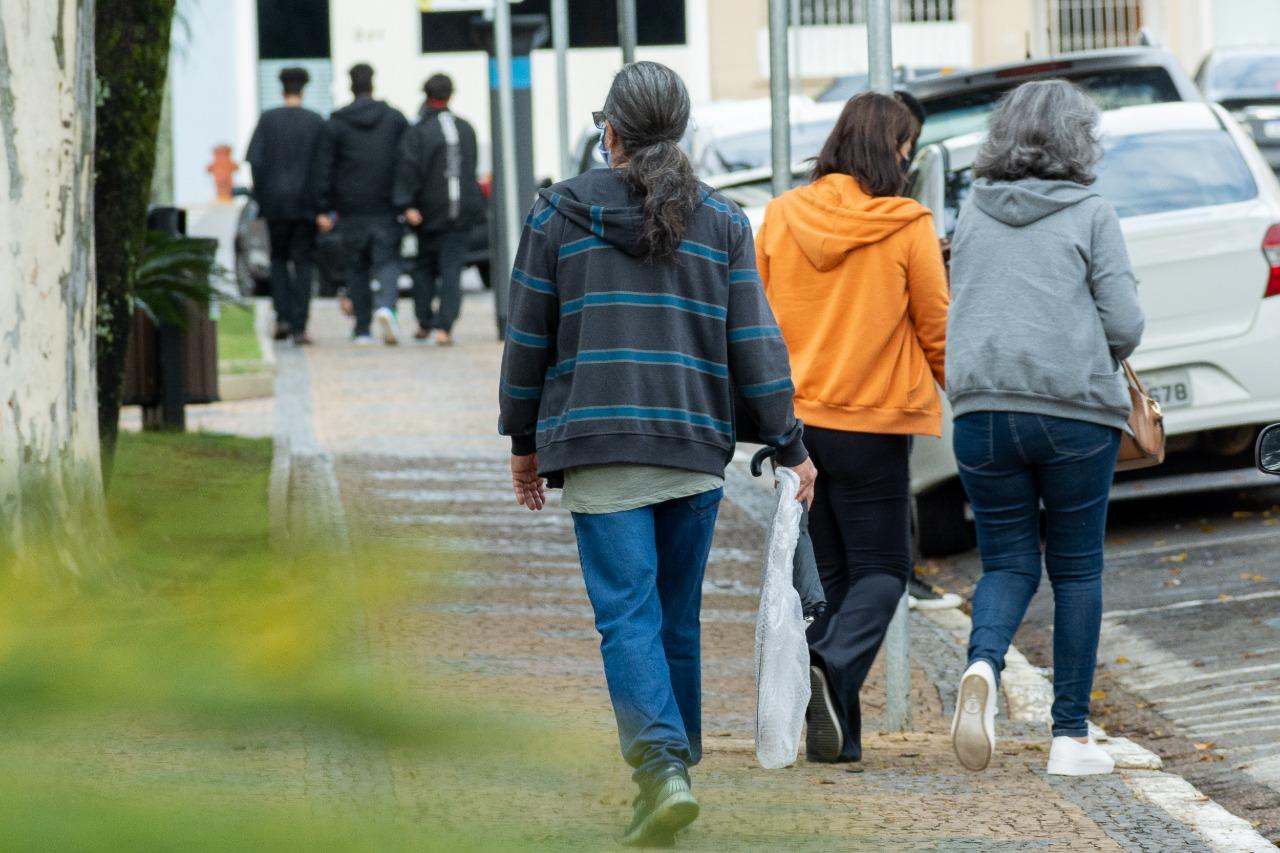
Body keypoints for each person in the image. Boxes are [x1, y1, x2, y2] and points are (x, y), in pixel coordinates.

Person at [498, 61, 816, 846]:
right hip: (693, 453)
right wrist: (790, 444)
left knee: (627, 616)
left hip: (603, 445)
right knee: (674, 612)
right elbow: (756, 345)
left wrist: (522, 440)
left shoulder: (556, 216)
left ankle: (663, 766)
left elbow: (526, 337)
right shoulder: (723, 222)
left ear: (609, 132)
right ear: (680, 132)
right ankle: (676, 762)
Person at [946, 80, 1143, 776]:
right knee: (1077, 567)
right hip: (1071, 413)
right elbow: (1125, 324)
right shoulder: (1091, 211)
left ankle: (981, 665)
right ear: (1076, 139)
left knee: (1006, 561)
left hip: (979, 413)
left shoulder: (972, 211)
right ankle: (1069, 737)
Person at [755, 92, 949, 764]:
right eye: (904, 151)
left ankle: (841, 737)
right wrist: (971, 401)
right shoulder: (906, 224)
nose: (907, 162)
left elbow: (755, 328)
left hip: (798, 431)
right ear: (888, 153)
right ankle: (831, 662)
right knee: (887, 568)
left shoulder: (780, 217)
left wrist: (766, 418)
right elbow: (937, 328)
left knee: (836, 577)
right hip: (870, 425)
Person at [311, 63, 409, 345]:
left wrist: (323, 206)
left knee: (357, 267)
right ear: (372, 83)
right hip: (387, 205)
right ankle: (387, 307)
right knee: (388, 261)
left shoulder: (336, 123)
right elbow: (407, 161)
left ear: (350, 85)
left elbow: (324, 168)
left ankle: (362, 328)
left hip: (351, 207)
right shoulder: (394, 119)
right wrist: (405, 199)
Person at [392, 73, 484, 346]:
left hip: (429, 213)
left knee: (424, 268)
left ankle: (424, 322)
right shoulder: (466, 128)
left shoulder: (419, 131)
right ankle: (445, 327)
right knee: (452, 270)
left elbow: (408, 169)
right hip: (463, 211)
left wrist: (406, 204)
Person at [245, 67, 326, 345]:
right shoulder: (316, 122)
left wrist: (263, 196)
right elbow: (323, 167)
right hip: (305, 205)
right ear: (303, 90)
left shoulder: (267, 120)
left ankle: (282, 317)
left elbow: (255, 160)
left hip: (275, 205)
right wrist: (321, 204)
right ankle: (300, 325)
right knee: (303, 262)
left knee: (278, 259)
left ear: (282, 91)